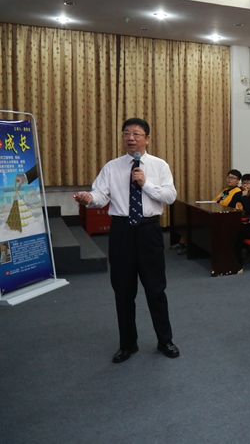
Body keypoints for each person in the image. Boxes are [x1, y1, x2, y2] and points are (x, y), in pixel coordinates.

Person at [74, 117, 179, 363]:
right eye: (126, 133)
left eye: (136, 134)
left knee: (155, 289)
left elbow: (170, 196)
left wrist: (145, 183)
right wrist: (89, 199)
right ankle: (128, 344)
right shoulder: (112, 167)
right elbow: (100, 195)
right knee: (123, 291)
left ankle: (165, 340)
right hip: (121, 232)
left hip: (149, 231)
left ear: (147, 138)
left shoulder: (159, 165)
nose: (131, 138)